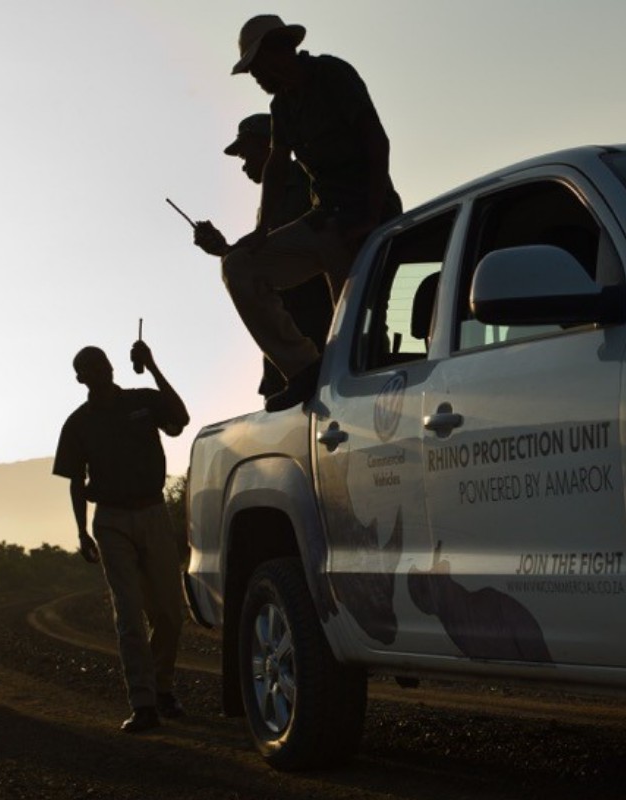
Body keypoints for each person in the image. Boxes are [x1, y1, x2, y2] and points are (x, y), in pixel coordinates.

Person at [222, 14, 402, 412]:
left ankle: (370, 401)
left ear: (279, 50)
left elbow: (377, 141)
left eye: (256, 67)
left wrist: (371, 220)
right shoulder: (281, 106)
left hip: (364, 220)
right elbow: (277, 164)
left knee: (355, 339)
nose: (256, 77)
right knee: (240, 265)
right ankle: (303, 368)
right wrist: (262, 231)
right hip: (323, 223)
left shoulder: (332, 75)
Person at [52, 340, 190, 733]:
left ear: (112, 367)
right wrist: (81, 531)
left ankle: (162, 688)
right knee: (129, 613)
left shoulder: (144, 400)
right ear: (81, 378)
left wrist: (153, 365)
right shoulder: (78, 423)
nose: (101, 370)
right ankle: (144, 703)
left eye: (103, 363)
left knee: (169, 612)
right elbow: (76, 482)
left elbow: (179, 419)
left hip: (152, 511)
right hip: (110, 520)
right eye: (91, 368)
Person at [193, 112, 333, 399]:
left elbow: (297, 253)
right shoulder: (273, 198)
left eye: (246, 155)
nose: (243, 166)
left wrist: (233, 254)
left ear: (269, 146)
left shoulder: (308, 185)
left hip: (318, 334)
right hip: (292, 338)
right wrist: (224, 249)